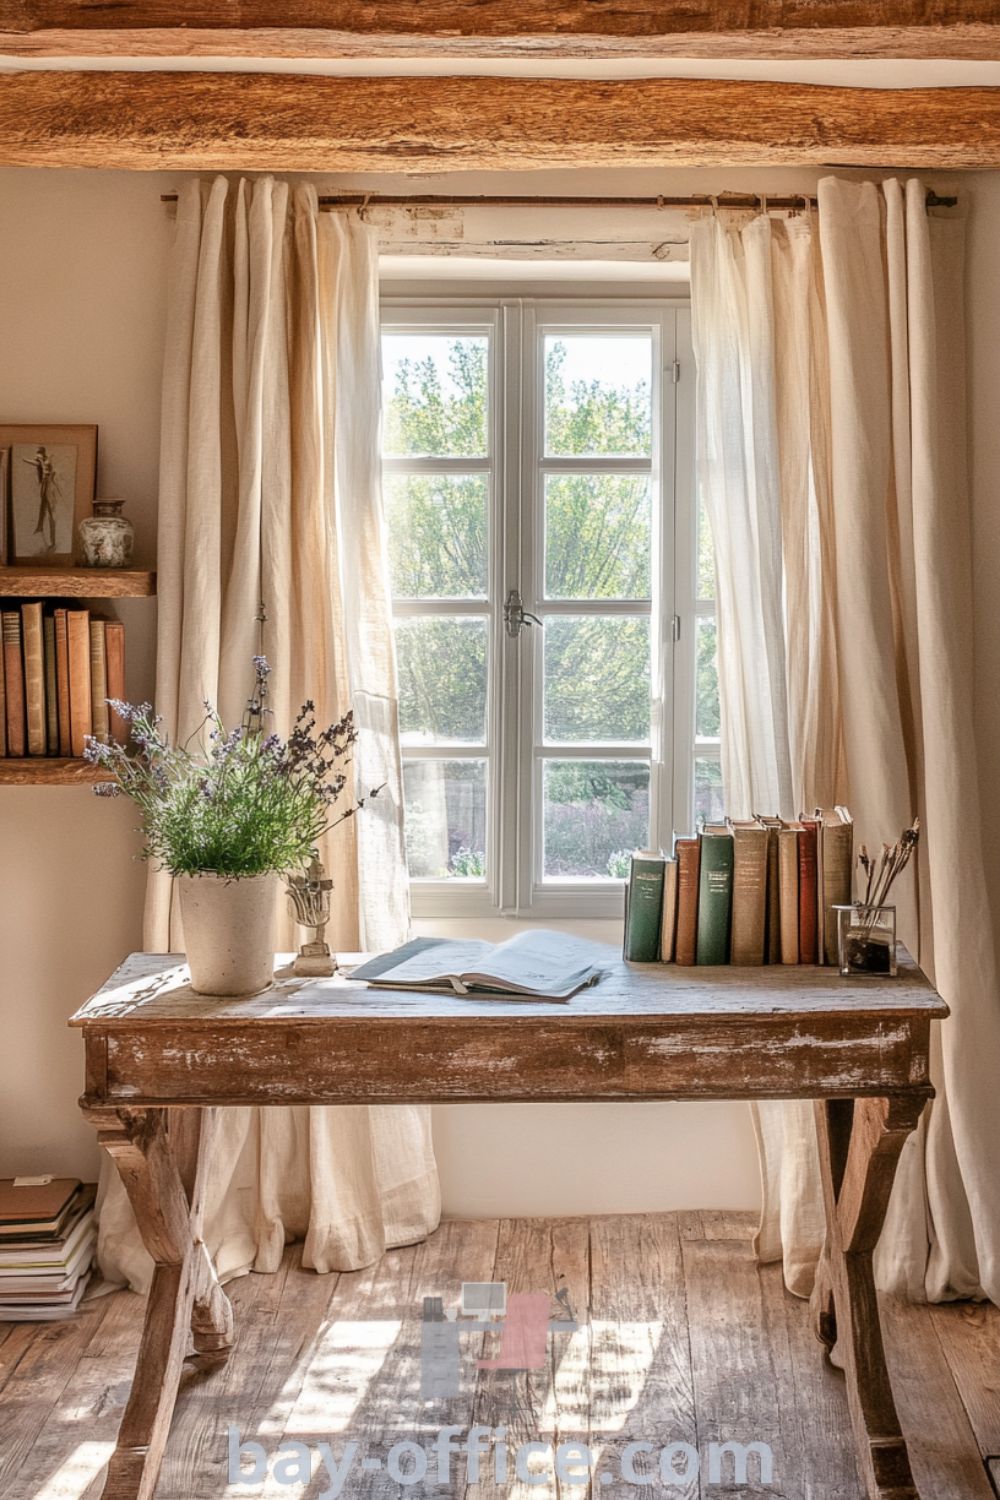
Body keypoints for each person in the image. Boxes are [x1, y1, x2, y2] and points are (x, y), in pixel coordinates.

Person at [21, 444, 61, 553]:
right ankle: (41, 528)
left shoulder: (47, 461)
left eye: (39, 454)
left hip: (49, 486)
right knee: (43, 508)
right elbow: (36, 464)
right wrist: (26, 460)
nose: (37, 457)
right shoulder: (42, 461)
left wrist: (39, 461)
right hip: (45, 485)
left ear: (42, 453)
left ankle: (51, 541)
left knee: (50, 512)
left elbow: (48, 470)